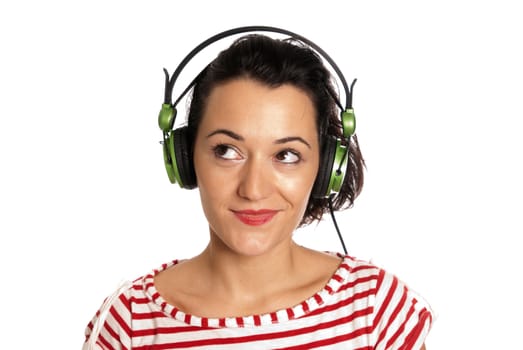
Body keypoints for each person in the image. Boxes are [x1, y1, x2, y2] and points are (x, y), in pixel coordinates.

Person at [83, 27, 433, 349]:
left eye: (286, 155)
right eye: (226, 151)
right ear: (185, 158)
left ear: (326, 169)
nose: (253, 189)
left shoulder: (376, 311)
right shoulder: (129, 321)